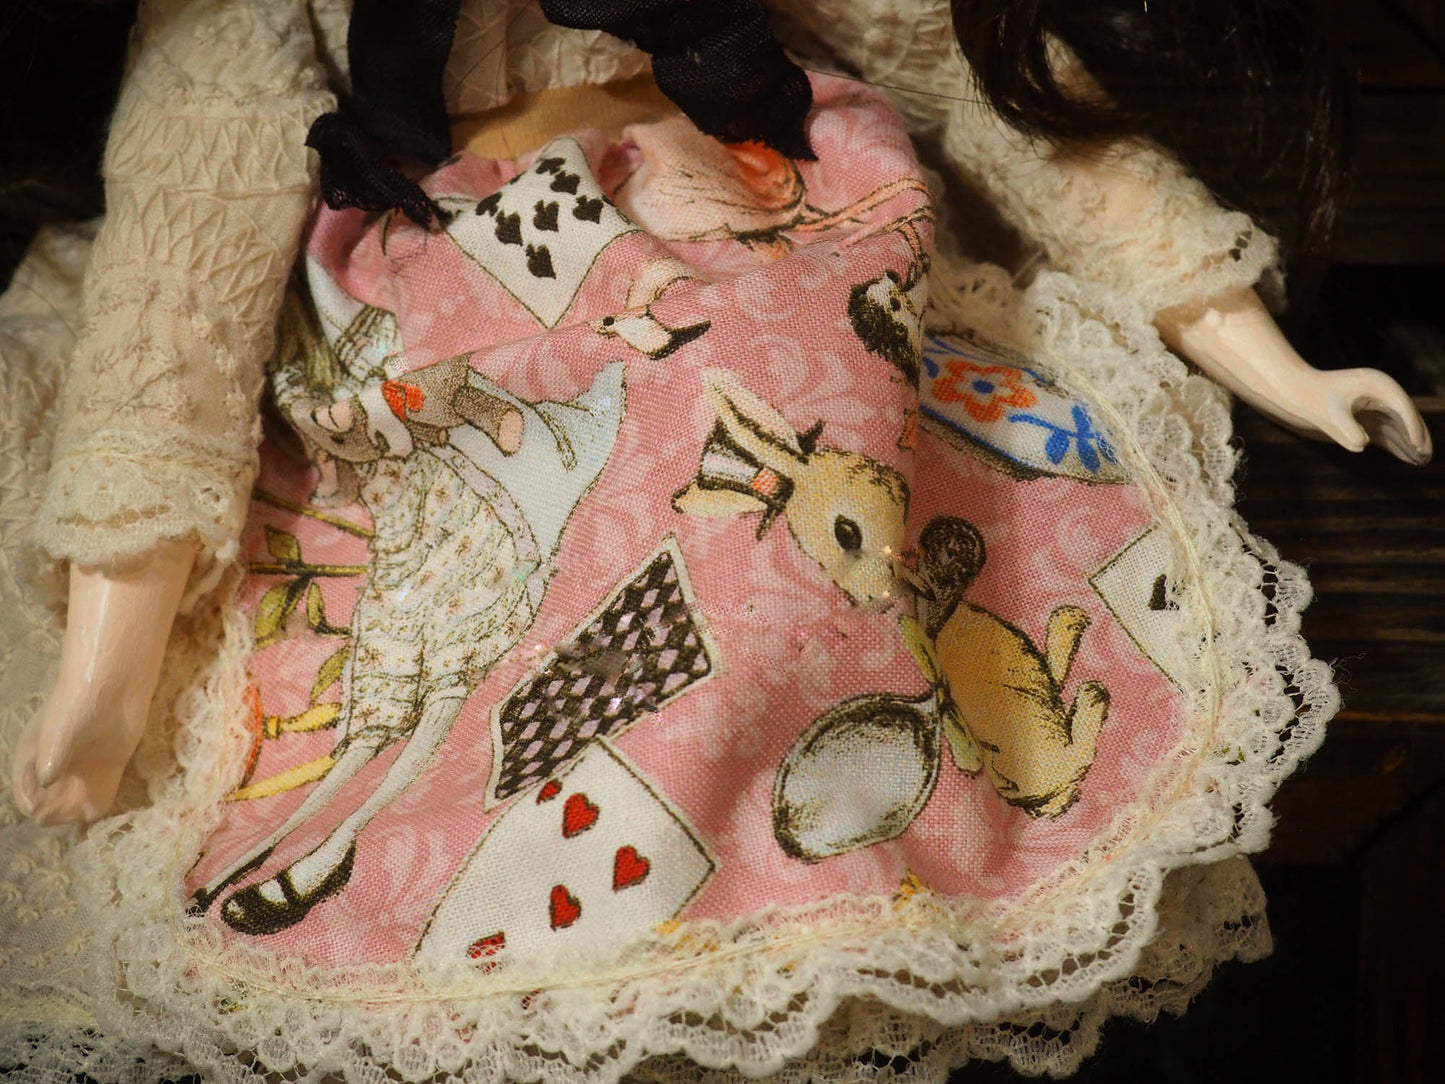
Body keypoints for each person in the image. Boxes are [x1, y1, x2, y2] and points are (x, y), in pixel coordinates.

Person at [0, 1, 1429, 1080]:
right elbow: (182, 267)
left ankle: (818, 845)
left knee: (773, 439)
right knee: (554, 564)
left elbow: (992, 100)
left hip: (763, 226)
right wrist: (110, 660)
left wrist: (1256, 346)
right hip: (462, 300)